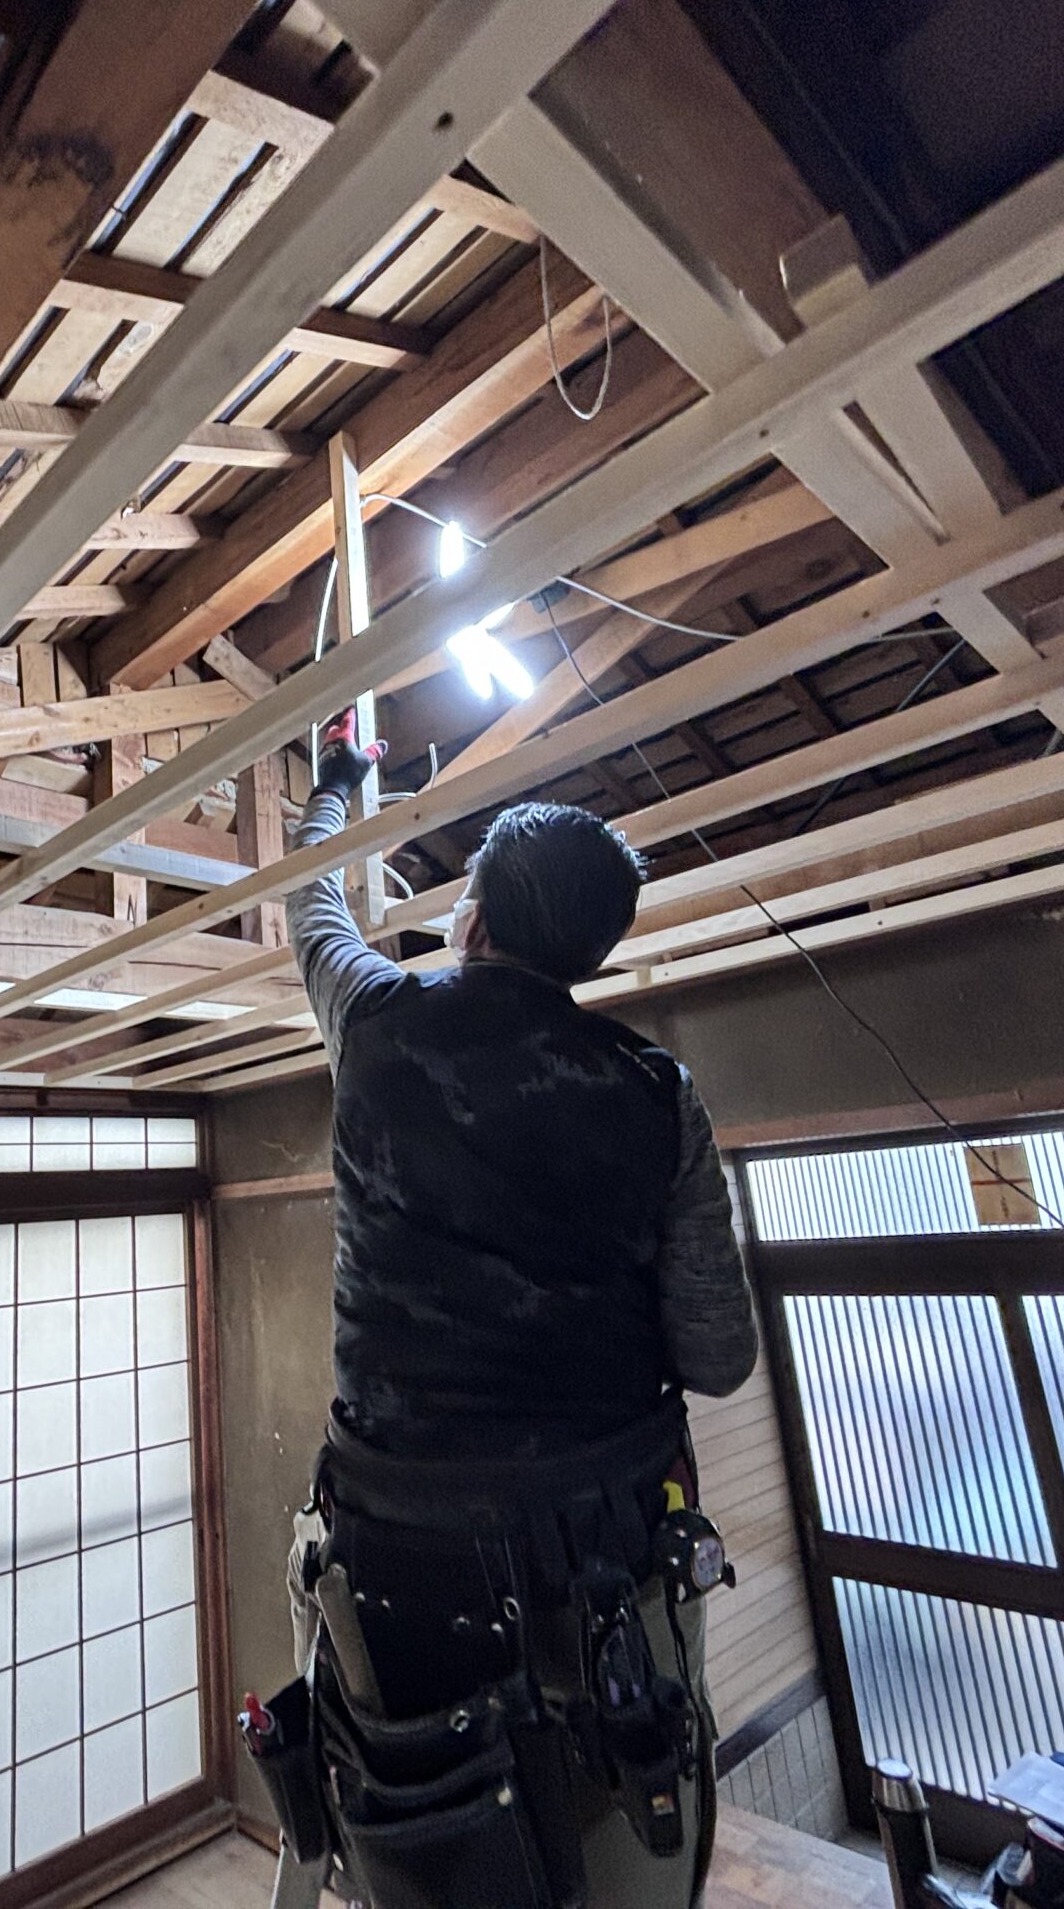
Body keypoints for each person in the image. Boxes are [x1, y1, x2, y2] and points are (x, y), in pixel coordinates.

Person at [267, 709, 758, 1909]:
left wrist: (337, 782)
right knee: (607, 1840)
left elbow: (310, 902)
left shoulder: (377, 1027)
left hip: (398, 1542)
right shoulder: (657, 1093)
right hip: (599, 1547)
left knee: (423, 1837)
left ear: (472, 919)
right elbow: (718, 1355)